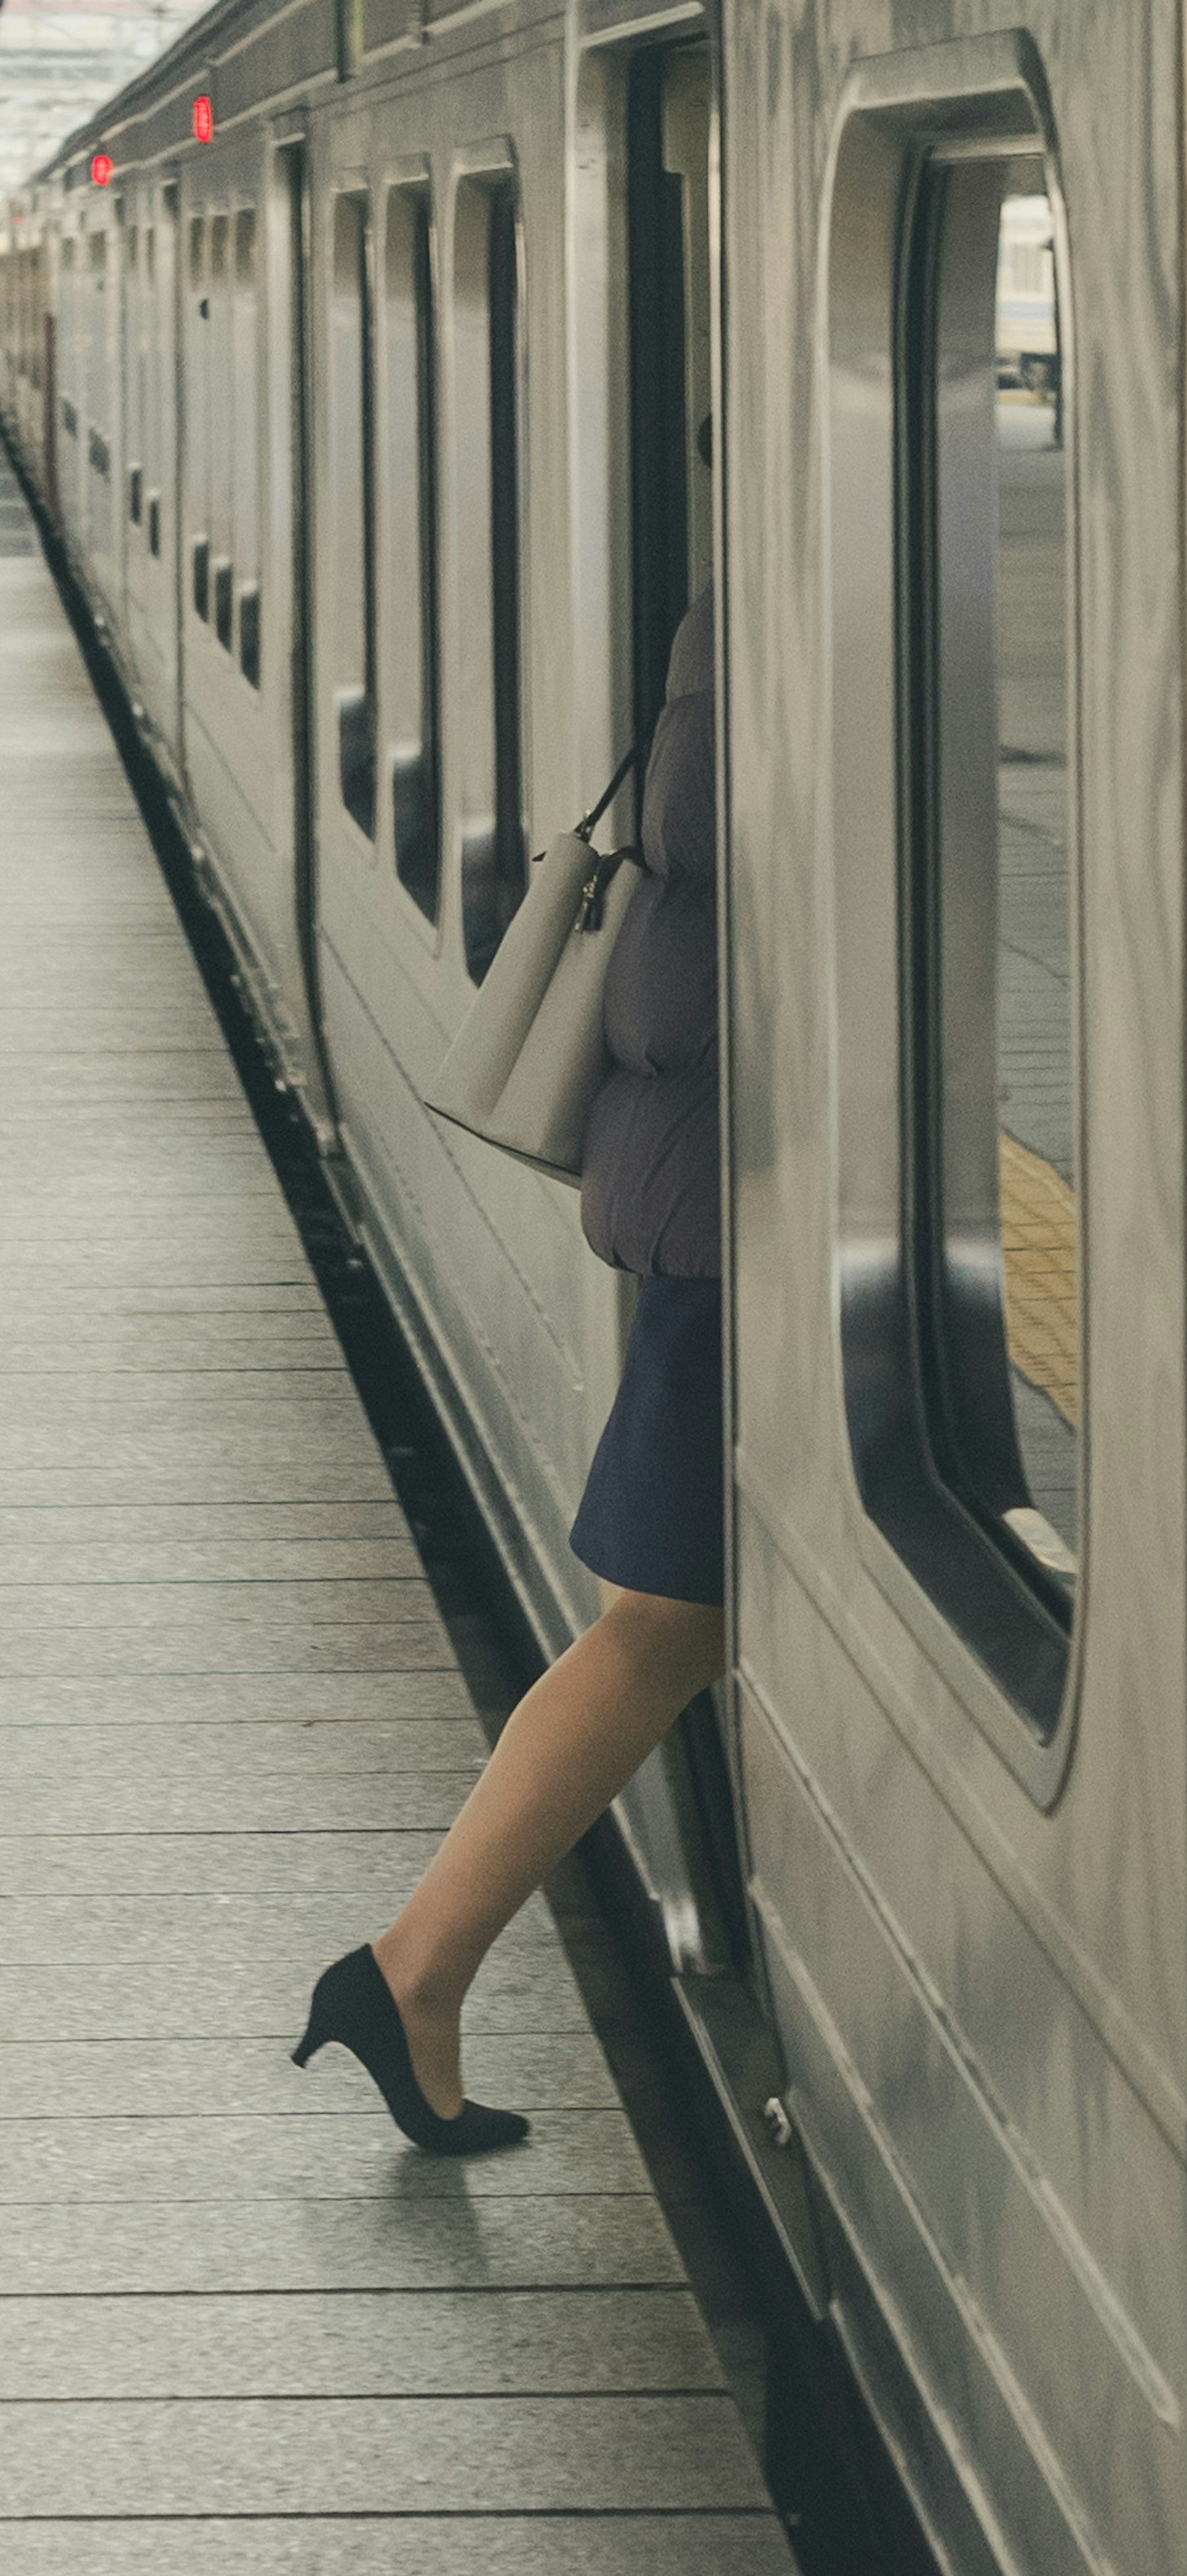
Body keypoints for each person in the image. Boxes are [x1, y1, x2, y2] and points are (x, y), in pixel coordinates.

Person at [293, 582, 726, 2151]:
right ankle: (414, 1965)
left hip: (693, 1191)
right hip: (714, 1214)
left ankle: (414, 1975)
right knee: (663, 1622)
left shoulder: (716, 648)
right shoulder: (772, 652)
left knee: (663, 1621)